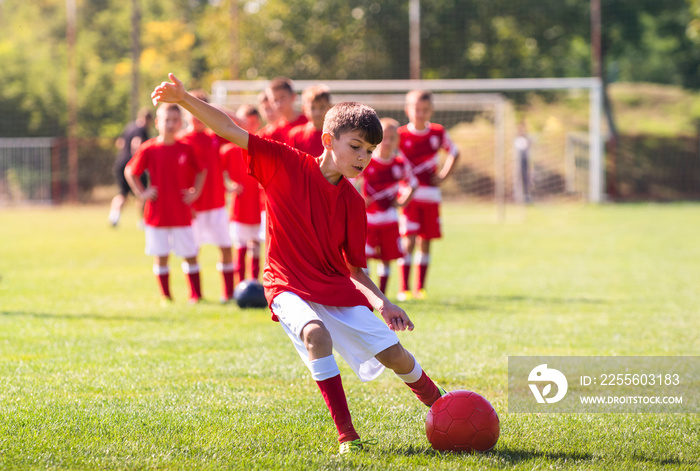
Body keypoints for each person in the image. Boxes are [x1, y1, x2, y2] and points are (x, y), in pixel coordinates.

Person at [151, 74, 446, 454]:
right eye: (355, 146)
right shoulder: (284, 163)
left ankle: (444, 406)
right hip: (285, 283)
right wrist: (184, 98)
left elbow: (355, 269)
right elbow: (227, 127)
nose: (363, 157)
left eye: (369, 151)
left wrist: (383, 303)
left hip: (333, 287)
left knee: (395, 355)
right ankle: (348, 436)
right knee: (315, 333)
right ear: (327, 140)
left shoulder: (354, 204)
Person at [125, 102, 206, 304]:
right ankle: (166, 296)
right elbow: (130, 171)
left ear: (180, 123)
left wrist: (195, 193)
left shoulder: (186, 148)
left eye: (174, 120)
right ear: (158, 122)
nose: (170, 124)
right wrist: (141, 193)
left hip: (181, 211)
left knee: (190, 254)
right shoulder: (149, 148)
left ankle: (196, 295)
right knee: (160, 256)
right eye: (166, 120)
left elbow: (202, 170)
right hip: (157, 213)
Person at [397, 90, 459, 301]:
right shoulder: (399, 135)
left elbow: (454, 152)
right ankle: (404, 288)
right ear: (407, 110)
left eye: (424, 110)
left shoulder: (438, 133)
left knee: (425, 241)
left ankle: (420, 288)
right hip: (409, 196)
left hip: (431, 196)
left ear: (431, 110)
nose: (420, 114)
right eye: (416, 109)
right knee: (408, 241)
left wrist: (443, 176)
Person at [178, 90, 235, 303]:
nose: (196, 115)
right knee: (191, 251)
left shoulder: (215, 136)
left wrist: (214, 111)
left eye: (201, 109)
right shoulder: (181, 140)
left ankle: (228, 294)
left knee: (226, 249)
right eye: (192, 109)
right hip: (193, 207)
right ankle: (196, 295)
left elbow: (241, 123)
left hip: (217, 203)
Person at [360, 118, 417, 295]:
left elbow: (413, 183)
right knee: (364, 258)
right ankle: (367, 295)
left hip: (389, 218)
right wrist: (361, 198)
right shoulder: (366, 160)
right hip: (368, 219)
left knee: (386, 258)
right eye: (384, 137)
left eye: (392, 138)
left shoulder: (399, 163)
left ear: (397, 141)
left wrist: (402, 201)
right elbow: (350, 180)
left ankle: (382, 294)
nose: (387, 141)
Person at [221, 105, 264, 284]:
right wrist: (229, 185)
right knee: (240, 245)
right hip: (240, 207)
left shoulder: (263, 146)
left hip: (258, 206)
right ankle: (240, 285)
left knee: (256, 246)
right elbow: (221, 174)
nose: (248, 126)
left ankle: (254, 283)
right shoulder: (228, 150)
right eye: (244, 122)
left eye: (252, 122)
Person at [108, 107, 153, 227]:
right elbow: (136, 143)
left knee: (122, 193)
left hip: (121, 162)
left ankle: (114, 217)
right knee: (142, 192)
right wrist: (139, 159)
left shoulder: (129, 127)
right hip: (134, 165)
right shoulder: (141, 130)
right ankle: (143, 221)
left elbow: (120, 143)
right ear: (148, 119)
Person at [287, 84, 332, 155]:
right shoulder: (296, 135)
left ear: (330, 107)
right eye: (312, 108)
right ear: (304, 109)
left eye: (322, 107)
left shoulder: (336, 134)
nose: (317, 112)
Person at [259, 76, 308, 143]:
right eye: (275, 100)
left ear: (293, 97)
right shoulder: (271, 132)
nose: (279, 104)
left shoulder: (309, 123)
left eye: (282, 97)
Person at [514, 121, 532, 203]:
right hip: (517, 162)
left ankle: (527, 196)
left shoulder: (526, 139)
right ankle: (517, 195)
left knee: (526, 178)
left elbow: (528, 149)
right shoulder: (516, 138)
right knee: (518, 178)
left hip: (525, 161)